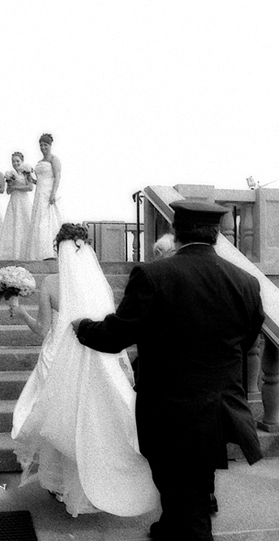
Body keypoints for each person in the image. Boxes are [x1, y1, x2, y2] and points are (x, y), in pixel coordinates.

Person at [73, 201, 264, 541]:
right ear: (216, 234)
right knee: (194, 486)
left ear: (176, 233)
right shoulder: (246, 282)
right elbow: (247, 338)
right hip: (221, 405)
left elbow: (115, 337)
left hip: (170, 408)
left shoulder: (154, 275)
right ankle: (170, 527)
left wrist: (82, 327)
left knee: (183, 494)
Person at [10, 223, 158, 518]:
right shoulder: (98, 283)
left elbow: (43, 330)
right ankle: (95, 481)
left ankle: (62, 485)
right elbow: (110, 328)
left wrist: (21, 310)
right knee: (89, 418)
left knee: (60, 419)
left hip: (58, 358)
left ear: (57, 249)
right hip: (96, 357)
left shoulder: (51, 282)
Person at [25, 133, 62, 260]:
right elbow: (39, 181)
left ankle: (50, 251)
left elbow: (57, 177)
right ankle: (38, 252)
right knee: (39, 220)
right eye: (41, 145)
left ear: (50, 145)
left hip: (48, 192)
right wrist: (31, 179)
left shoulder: (54, 159)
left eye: (45, 145)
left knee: (47, 221)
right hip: (39, 193)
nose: (43, 147)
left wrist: (53, 194)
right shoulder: (40, 162)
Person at [0, 152, 34, 260]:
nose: (15, 163)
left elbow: (30, 187)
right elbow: (8, 191)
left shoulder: (26, 172)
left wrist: (16, 187)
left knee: (24, 224)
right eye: (13, 161)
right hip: (14, 200)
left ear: (22, 161)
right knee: (13, 225)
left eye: (17, 161)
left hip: (23, 200)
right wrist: (11, 185)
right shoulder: (10, 174)